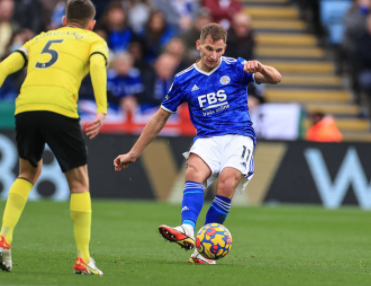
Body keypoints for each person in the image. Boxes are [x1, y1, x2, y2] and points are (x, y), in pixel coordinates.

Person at [113, 23, 281, 264]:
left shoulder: (236, 67)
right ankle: (187, 230)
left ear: (225, 49)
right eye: (209, 49)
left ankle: (203, 250)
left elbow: (276, 79)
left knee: (226, 182)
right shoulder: (183, 79)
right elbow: (160, 118)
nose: (213, 56)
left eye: (219, 50)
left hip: (239, 135)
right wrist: (133, 153)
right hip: (206, 137)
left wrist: (261, 67)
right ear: (198, 45)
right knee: (193, 171)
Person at [0, 0, 108, 275]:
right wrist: (101, 109)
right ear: (91, 24)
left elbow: (4, 66)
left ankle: (4, 236)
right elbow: (96, 66)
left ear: (63, 20)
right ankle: (83, 257)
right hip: (60, 107)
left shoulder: (40, 38)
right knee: (80, 183)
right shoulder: (93, 41)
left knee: (27, 172)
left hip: (25, 107)